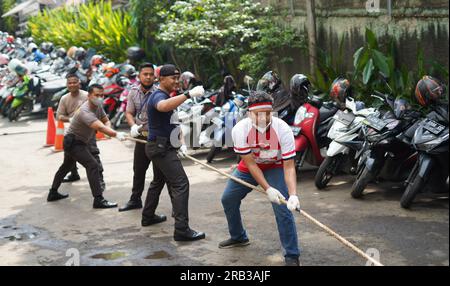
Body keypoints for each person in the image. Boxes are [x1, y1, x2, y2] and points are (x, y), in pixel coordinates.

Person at [219, 91, 301, 266]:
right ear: (249, 113)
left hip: (276, 166)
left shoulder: (283, 129)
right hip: (250, 167)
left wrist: (293, 194)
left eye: (268, 113)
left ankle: (292, 255)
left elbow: (289, 165)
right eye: (258, 114)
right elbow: (251, 164)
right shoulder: (239, 130)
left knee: (283, 208)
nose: (264, 118)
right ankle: (238, 236)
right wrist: (268, 188)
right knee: (228, 199)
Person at [142, 64, 206, 241]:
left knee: (158, 181)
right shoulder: (158, 95)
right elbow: (162, 107)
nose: (177, 81)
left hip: (163, 146)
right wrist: (187, 94)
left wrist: (182, 144)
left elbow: (175, 123)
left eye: (178, 78)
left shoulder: (169, 96)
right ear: (161, 79)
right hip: (160, 148)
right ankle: (181, 230)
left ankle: (148, 216)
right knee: (180, 184)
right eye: (173, 78)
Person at [47, 84, 127, 209]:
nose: (100, 98)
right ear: (89, 96)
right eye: (96, 95)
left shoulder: (98, 106)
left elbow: (105, 120)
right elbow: (100, 127)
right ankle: (98, 200)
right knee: (93, 165)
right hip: (73, 142)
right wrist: (116, 134)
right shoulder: (85, 110)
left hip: (77, 141)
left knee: (66, 167)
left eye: (102, 95)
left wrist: (109, 130)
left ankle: (52, 193)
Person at [119, 63, 157, 212]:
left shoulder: (159, 92)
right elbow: (129, 112)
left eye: (150, 74)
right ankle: (135, 200)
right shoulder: (133, 92)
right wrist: (132, 126)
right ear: (139, 76)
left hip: (156, 138)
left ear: (155, 76)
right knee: (139, 170)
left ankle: (176, 206)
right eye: (145, 74)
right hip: (141, 137)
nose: (148, 77)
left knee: (163, 174)